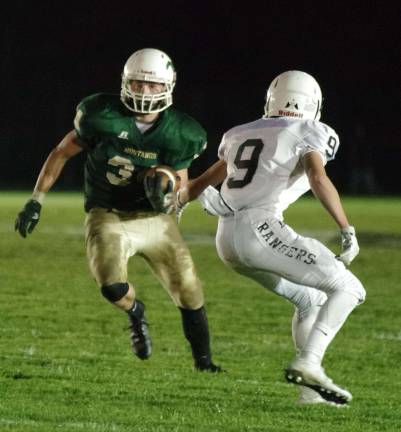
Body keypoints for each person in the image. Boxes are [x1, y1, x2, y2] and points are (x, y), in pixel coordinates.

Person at [15, 48, 221, 372]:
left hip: (154, 218)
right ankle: (136, 313)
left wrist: (167, 189)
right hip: (108, 212)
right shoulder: (100, 114)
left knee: (190, 290)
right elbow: (60, 152)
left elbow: (180, 184)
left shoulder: (183, 132)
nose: (144, 91)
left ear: (168, 86)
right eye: (138, 83)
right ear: (126, 83)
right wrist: (35, 199)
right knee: (111, 285)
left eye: (152, 86)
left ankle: (204, 363)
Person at [178, 70, 365, 404]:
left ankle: (310, 395)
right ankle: (309, 363)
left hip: (227, 238)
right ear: (313, 104)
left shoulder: (240, 133)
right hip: (260, 229)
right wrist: (345, 228)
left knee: (309, 299)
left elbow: (201, 182)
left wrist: (177, 200)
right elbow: (317, 176)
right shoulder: (311, 131)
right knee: (350, 288)